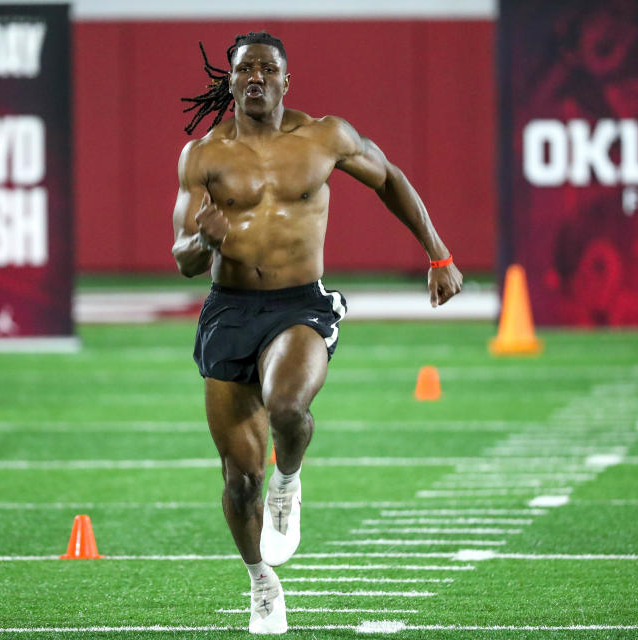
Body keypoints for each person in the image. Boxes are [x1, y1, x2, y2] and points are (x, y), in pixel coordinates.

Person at [171, 31, 463, 635]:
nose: (256, 76)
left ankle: (290, 480)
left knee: (286, 407)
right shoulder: (203, 156)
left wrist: (437, 254)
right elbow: (183, 258)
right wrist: (205, 240)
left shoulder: (325, 136)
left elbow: (389, 179)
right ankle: (260, 581)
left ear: (285, 80)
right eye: (244, 68)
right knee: (237, 480)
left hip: (299, 305)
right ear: (230, 81)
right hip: (230, 311)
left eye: (267, 68)